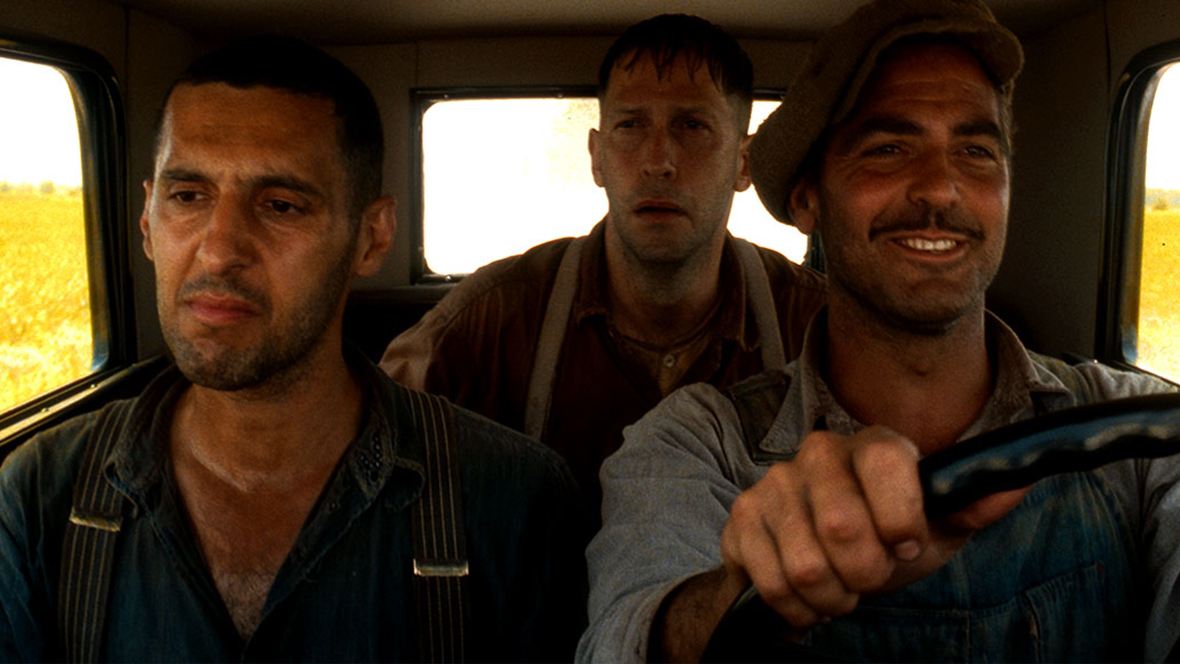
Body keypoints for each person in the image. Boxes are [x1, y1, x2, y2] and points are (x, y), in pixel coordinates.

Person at [578, 0, 1180, 661]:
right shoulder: (697, 442)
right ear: (807, 197)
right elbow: (628, 632)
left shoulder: (1135, 433)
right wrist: (743, 593)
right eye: (889, 148)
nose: (941, 188)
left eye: (976, 150)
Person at [0, 36, 586, 661]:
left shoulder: (513, 500)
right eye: (188, 197)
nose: (220, 249)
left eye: (280, 205)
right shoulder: (39, 495)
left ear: (371, 236)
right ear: (147, 222)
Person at [380, 14, 826, 517]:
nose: (659, 160)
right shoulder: (488, 321)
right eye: (630, 125)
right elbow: (363, 457)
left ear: (744, 162)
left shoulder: (817, 327)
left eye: (693, 126)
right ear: (596, 157)